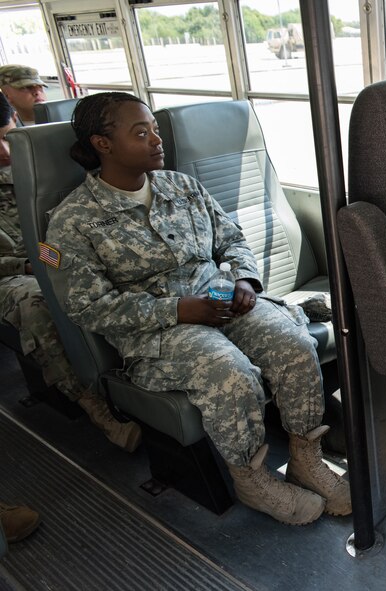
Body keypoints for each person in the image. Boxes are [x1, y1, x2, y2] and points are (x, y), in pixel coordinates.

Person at [42, 92, 351, 524]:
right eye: (140, 132)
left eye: (154, 128)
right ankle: (251, 478)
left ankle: (306, 456)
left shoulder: (182, 186)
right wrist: (178, 310)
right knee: (230, 372)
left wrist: (244, 279)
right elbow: (89, 307)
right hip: (157, 328)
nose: (156, 139)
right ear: (102, 144)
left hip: (219, 298)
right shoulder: (73, 220)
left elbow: (232, 239)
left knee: (293, 343)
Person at [0, 93, 141, 451]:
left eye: (7, 135)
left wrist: (47, 258)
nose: (4, 152)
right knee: (38, 301)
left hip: (47, 254)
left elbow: (49, 239)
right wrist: (25, 264)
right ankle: (91, 401)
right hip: (9, 272)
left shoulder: (29, 162)